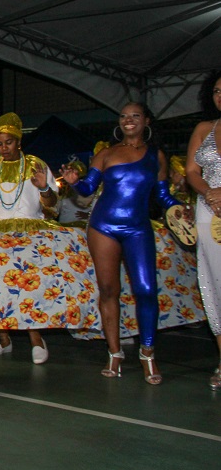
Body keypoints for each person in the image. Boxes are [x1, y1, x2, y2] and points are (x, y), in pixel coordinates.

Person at [0, 112, 99, 364]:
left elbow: (51, 204)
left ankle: (37, 340)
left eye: (8, 142)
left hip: (27, 230)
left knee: (24, 283)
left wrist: (44, 187)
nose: (3, 148)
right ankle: (4, 340)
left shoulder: (36, 164)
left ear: (19, 141)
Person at [62, 102, 180, 384]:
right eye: (124, 116)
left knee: (146, 289)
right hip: (103, 226)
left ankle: (148, 353)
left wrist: (179, 207)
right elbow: (88, 189)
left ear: (146, 122)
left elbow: (163, 196)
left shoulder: (156, 157)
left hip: (138, 228)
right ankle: (114, 352)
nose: (128, 120)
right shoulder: (105, 154)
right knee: (108, 289)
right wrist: (74, 181)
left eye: (135, 116)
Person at [186, 72, 221, 390]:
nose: (220, 95)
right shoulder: (203, 129)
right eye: (216, 91)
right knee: (213, 281)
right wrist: (210, 192)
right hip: (208, 211)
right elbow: (192, 171)